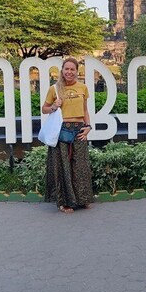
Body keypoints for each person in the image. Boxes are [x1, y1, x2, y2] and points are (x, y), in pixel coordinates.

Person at [41, 57, 94, 213]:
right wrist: (53, 106)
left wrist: (88, 127)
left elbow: (85, 110)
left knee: (80, 166)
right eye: (67, 69)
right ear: (62, 71)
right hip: (61, 129)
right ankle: (65, 202)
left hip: (79, 129)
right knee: (62, 166)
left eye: (72, 69)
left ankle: (82, 199)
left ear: (77, 71)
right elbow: (44, 109)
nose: (69, 72)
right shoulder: (54, 89)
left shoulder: (82, 88)